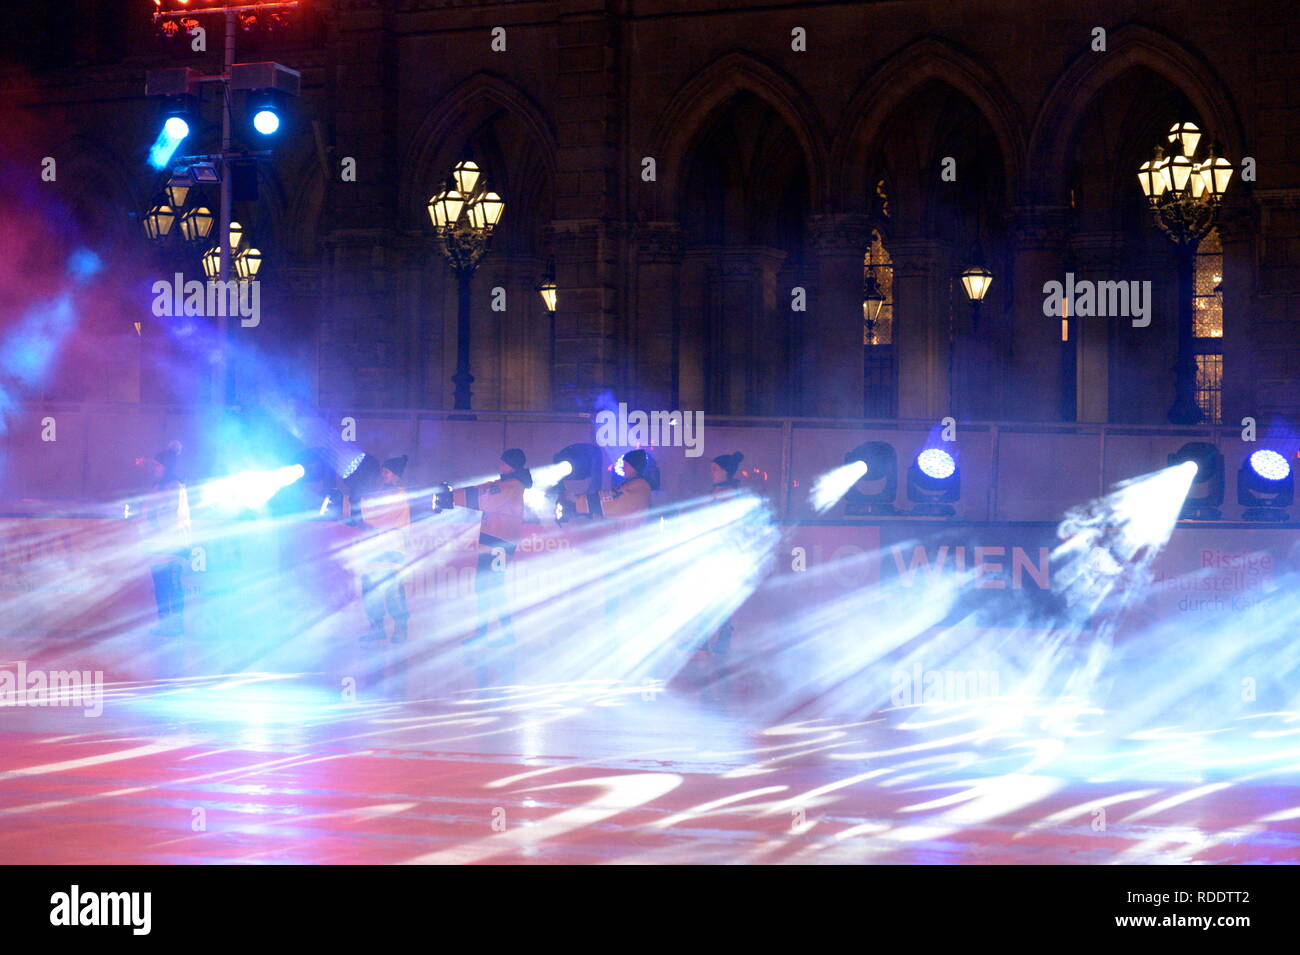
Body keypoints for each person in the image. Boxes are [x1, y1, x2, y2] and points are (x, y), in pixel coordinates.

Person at [453, 449, 532, 678]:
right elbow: (484, 491)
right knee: (488, 588)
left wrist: (453, 496)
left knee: (492, 589)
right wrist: (453, 494)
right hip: (494, 541)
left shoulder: (512, 485)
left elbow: (486, 497)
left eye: (504, 462)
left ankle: (494, 634)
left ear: (512, 465)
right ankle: (492, 633)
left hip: (500, 542)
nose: (500, 464)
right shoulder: (507, 483)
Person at [135, 441, 191, 637]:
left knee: (173, 583)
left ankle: (176, 625)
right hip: (157, 544)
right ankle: (165, 623)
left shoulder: (174, 486)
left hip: (172, 543)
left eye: (158, 465)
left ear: (167, 467)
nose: (155, 469)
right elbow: (147, 513)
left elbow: (171, 515)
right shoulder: (156, 487)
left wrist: (155, 526)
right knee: (160, 585)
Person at [358, 454, 412, 644]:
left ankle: (400, 628)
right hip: (376, 548)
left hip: (393, 548)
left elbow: (380, 518)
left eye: (387, 472)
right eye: (382, 471)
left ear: (396, 474)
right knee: (370, 589)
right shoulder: (384, 494)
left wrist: (362, 505)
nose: (383, 475)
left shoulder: (400, 495)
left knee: (393, 590)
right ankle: (376, 628)